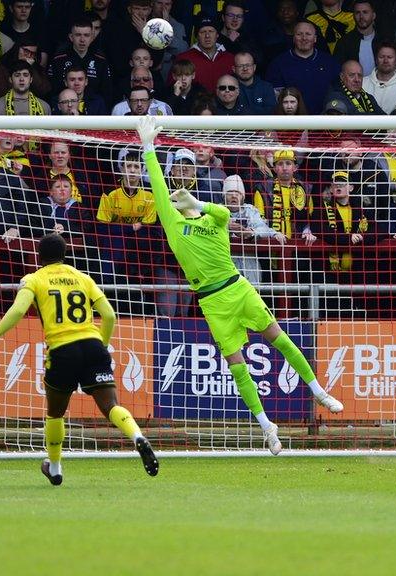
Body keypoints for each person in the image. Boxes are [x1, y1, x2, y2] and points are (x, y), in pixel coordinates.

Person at [137, 116, 343, 455]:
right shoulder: (173, 226)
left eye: (184, 198)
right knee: (237, 366)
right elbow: (159, 186)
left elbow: (221, 211)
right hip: (212, 302)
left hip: (239, 288)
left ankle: (317, 389)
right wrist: (148, 146)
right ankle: (267, 427)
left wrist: (197, 204)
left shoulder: (214, 219)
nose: (178, 200)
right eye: (177, 199)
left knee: (281, 339)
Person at [0, 233, 159, 485]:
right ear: (65, 253)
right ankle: (137, 437)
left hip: (62, 349)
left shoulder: (34, 279)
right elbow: (110, 315)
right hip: (92, 345)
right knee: (111, 405)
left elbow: (17, 310)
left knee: (56, 413)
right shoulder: (82, 277)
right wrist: (100, 345)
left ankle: (55, 468)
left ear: (38, 256)